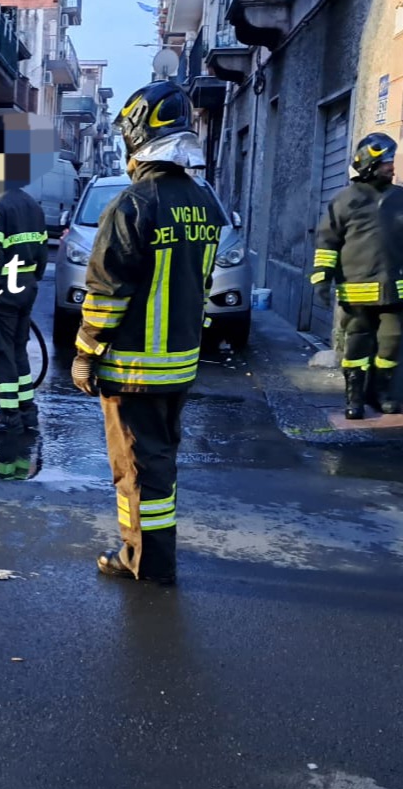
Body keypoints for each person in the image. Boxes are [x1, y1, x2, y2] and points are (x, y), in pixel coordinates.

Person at [71, 81, 225, 583]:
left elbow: (106, 293)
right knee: (160, 463)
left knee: (136, 469)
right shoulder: (204, 202)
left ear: (137, 136)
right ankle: (154, 553)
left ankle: (144, 561)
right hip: (179, 364)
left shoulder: (132, 205)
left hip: (132, 368)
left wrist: (85, 353)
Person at [309, 132, 403, 419]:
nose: (393, 167)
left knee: (390, 344)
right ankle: (353, 398)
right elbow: (327, 243)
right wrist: (322, 278)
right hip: (356, 292)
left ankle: (380, 393)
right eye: (388, 162)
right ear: (368, 162)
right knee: (356, 345)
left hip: (396, 290)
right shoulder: (344, 200)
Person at [0, 184, 48, 435]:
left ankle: (9, 414)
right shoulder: (33, 205)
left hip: (2, 288)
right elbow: (42, 248)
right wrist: (33, 278)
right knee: (18, 349)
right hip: (26, 285)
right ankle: (27, 409)